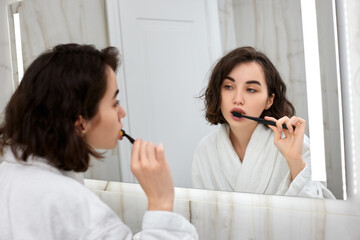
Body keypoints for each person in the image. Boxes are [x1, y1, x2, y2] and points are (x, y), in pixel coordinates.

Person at [0, 43, 198, 239]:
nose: (122, 113)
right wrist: (160, 200)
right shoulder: (68, 202)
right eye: (114, 103)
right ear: (80, 123)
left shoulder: (8, 174)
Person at [192, 46, 334, 199]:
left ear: (269, 100)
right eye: (228, 87)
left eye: (251, 89)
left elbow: (319, 211)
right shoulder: (205, 150)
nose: (237, 99)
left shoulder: (295, 144)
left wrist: (294, 161)